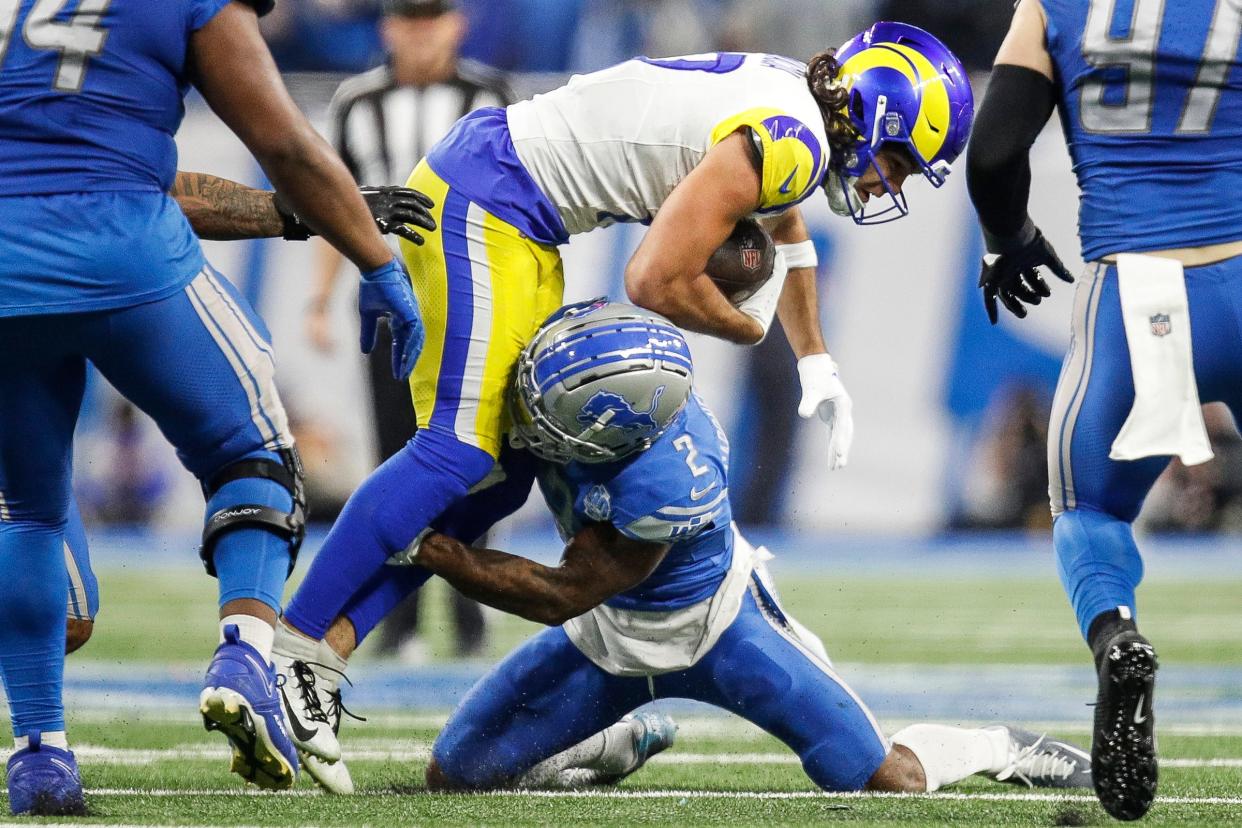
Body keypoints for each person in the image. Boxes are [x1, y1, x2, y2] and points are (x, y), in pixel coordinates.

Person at [275, 28, 978, 754]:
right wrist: (741, 329)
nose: (889, 184)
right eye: (898, 162)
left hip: (517, 208)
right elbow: (653, 280)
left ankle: (329, 647)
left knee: (503, 476)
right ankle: (291, 648)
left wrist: (816, 363)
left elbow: (787, 230)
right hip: (491, 195)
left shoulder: (799, 115)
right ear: (875, 114)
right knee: (455, 453)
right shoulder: (794, 137)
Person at [280, 300, 1093, 794]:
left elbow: (562, 593)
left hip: (718, 630)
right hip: (609, 642)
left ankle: (999, 747)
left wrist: (434, 551)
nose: (533, 418)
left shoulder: (674, 476)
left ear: (608, 433)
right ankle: (617, 742)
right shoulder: (590, 371)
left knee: (880, 777)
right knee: (454, 775)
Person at [0, 0, 431, 814]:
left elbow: (107, 167)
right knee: (254, 455)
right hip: (120, 250)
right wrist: (375, 262)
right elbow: (285, 141)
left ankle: (39, 755)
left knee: (27, 512)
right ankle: (244, 656)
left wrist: (289, 214)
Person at [965, 0, 1242, 819]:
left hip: (1140, 291)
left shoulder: (1055, 6)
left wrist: (1007, 235)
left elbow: (994, 153)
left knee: (1091, 512)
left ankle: (1117, 634)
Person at [306, 0, 514, 664]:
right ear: (388, 28)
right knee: (396, 461)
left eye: (432, 18)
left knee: (472, 461)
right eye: (408, 20)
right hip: (387, 304)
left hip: (474, 302)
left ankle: (469, 618)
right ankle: (397, 623)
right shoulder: (356, 101)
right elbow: (332, 202)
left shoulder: (489, 95)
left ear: (457, 24)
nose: (421, 34)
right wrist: (319, 297)